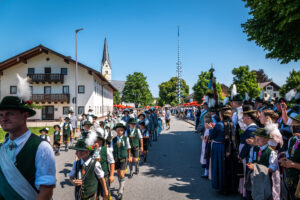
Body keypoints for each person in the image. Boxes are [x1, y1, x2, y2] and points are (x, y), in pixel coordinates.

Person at [0, 96, 56, 199]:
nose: (3, 119)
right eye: (1, 115)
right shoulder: (1, 148)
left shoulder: (41, 147)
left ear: (25, 116)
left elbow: (46, 191)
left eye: (9, 114)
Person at [247, 128, 278, 199]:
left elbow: (272, 168)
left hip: (265, 180)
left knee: (264, 196)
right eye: (255, 138)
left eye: (259, 138)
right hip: (255, 178)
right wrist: (250, 164)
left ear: (267, 139)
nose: (256, 140)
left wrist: (256, 168)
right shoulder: (254, 149)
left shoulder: (271, 152)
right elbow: (251, 160)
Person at [279, 114, 300, 200]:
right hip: (291, 181)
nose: (291, 127)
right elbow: (290, 155)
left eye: (294, 125)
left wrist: (293, 164)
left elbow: (293, 163)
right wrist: (284, 160)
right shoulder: (292, 140)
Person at [93, 131, 115, 200]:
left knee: (105, 194)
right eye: (94, 141)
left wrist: (111, 175)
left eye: (97, 141)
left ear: (101, 142)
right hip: (93, 176)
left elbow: (112, 162)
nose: (95, 143)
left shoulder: (106, 149)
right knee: (95, 194)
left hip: (104, 175)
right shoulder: (90, 150)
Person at [112, 123, 131, 200]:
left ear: (123, 131)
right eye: (118, 130)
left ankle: (120, 191)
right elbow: (111, 149)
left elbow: (128, 148)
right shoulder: (113, 139)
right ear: (116, 130)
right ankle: (121, 185)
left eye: (122, 130)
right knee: (119, 173)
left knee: (122, 173)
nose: (120, 132)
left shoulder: (126, 138)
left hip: (123, 158)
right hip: (116, 158)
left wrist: (129, 156)